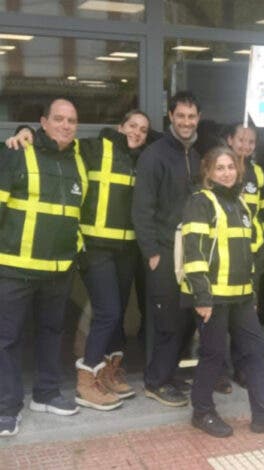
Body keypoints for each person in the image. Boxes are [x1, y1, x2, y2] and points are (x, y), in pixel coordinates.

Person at [5, 110, 152, 410]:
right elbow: (54, 142)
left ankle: (106, 373)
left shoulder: (144, 158)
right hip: (94, 248)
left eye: (144, 130)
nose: (137, 132)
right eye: (132, 126)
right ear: (119, 126)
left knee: (116, 313)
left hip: (125, 250)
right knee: (108, 312)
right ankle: (86, 381)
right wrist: (25, 129)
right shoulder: (92, 148)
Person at [181, 146, 264, 438]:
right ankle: (202, 412)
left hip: (242, 295)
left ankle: (263, 414)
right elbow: (193, 252)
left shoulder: (242, 205)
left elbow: (247, 255)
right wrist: (202, 297)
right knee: (213, 354)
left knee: (256, 350)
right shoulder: (200, 202)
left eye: (230, 167)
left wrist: (252, 296)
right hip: (212, 296)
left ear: (239, 171)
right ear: (208, 173)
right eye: (219, 168)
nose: (226, 172)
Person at [0, 98, 87, 437]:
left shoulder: (79, 161)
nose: (66, 125)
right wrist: (21, 133)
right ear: (43, 122)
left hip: (58, 269)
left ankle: (46, 393)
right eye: (59, 119)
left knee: (53, 333)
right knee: (7, 340)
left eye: (72, 120)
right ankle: (7, 408)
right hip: (14, 269)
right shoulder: (17, 153)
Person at [132, 91, 202, 407]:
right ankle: (156, 381)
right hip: (163, 251)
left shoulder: (198, 156)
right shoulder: (154, 155)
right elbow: (141, 209)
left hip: (190, 254)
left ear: (197, 118)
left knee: (186, 319)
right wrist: (152, 253)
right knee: (167, 321)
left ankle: (171, 374)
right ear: (170, 117)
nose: (186, 122)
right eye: (181, 116)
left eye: (191, 116)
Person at [219, 123, 264, 393]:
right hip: (222, 254)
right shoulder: (218, 167)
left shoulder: (258, 173)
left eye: (251, 141)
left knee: (246, 315)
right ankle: (217, 371)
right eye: (241, 139)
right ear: (230, 140)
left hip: (252, 253)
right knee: (219, 315)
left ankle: (242, 368)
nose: (246, 145)